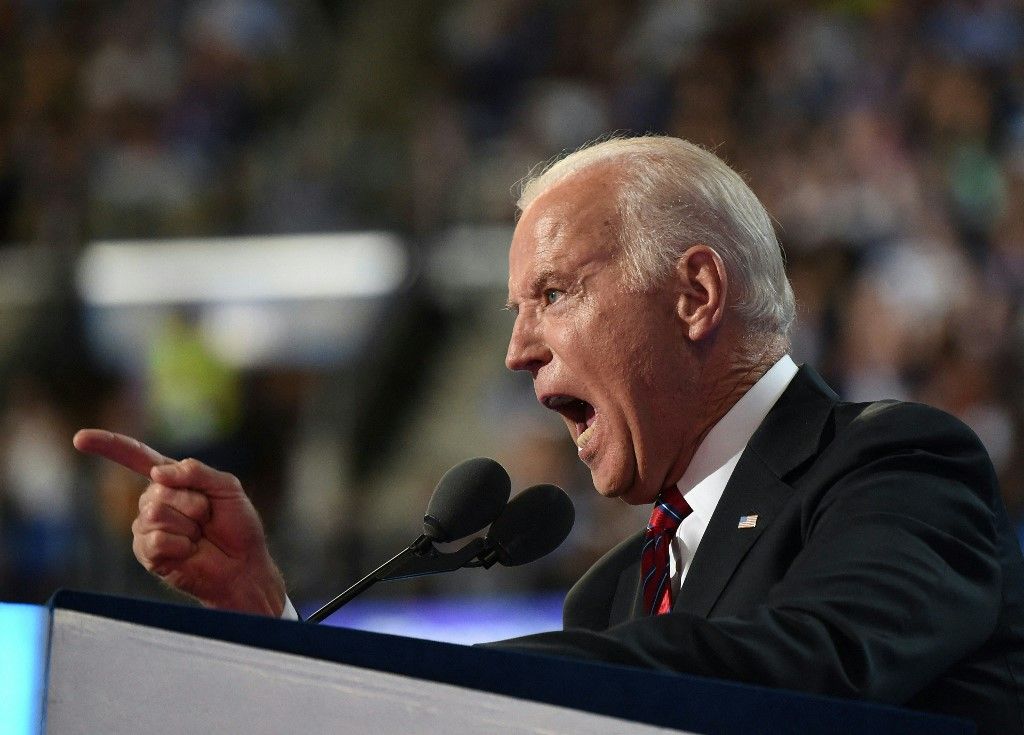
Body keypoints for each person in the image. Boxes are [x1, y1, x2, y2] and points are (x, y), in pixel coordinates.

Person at [74, 136, 1024, 734]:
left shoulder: (894, 461)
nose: (516, 351)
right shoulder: (609, 595)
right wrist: (267, 625)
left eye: (554, 294)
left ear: (695, 295)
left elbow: (820, 671)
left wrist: (440, 682)